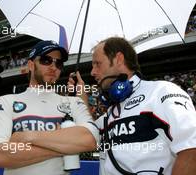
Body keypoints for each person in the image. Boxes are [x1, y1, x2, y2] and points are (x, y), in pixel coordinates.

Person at [11, 37, 196, 175]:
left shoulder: (162, 92)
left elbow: (191, 150)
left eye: (97, 64)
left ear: (118, 59)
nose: (92, 72)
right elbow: (89, 133)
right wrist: (80, 98)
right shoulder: (111, 113)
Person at [0, 40, 93, 175]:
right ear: (30, 65)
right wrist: (65, 145)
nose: (53, 67)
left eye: (58, 63)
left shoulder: (72, 103)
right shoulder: (7, 101)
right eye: (46, 60)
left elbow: (90, 140)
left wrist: (28, 137)